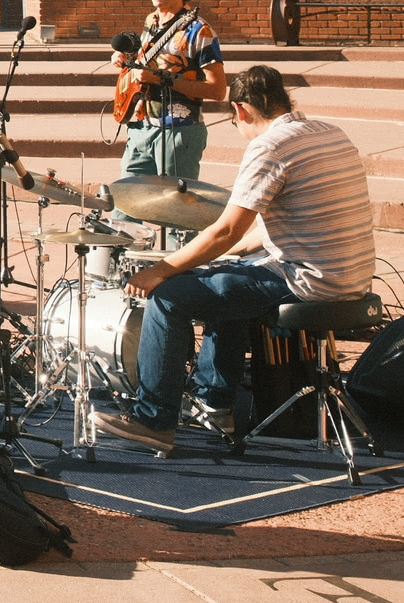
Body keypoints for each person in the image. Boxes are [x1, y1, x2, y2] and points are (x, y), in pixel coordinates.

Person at [96, 66, 375, 451]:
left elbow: (228, 228)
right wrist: (220, 258)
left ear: (240, 110)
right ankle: (214, 404)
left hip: (310, 278)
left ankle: (153, 420)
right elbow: (266, 230)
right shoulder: (328, 132)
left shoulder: (270, 145)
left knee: (170, 297)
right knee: (225, 278)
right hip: (353, 275)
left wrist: (160, 270)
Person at [109, 0, 227, 217]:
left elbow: (218, 90)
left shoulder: (199, 31)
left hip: (178, 131)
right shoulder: (151, 21)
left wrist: (163, 80)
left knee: (178, 218)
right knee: (122, 211)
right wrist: (126, 60)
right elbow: (148, 63)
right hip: (140, 128)